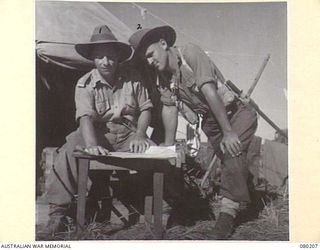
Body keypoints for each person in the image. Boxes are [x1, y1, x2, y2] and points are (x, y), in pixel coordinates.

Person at [129, 26, 258, 239]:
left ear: (163, 44)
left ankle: (227, 214)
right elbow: (170, 108)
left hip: (235, 112)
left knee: (232, 151)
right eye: (146, 60)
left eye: (151, 55)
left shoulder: (189, 53)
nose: (150, 62)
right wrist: (169, 146)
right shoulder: (162, 78)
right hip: (211, 122)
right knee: (232, 162)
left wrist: (228, 131)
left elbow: (209, 92)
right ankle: (251, 199)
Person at [45, 25, 154, 234]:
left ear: (118, 58)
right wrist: (92, 145)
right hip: (98, 133)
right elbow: (84, 117)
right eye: (100, 57)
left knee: (156, 154)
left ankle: (151, 209)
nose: (106, 62)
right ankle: (57, 213)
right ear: (93, 59)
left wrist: (141, 135)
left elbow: (146, 109)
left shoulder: (134, 78)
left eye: (111, 57)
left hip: (129, 133)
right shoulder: (84, 83)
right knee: (68, 150)